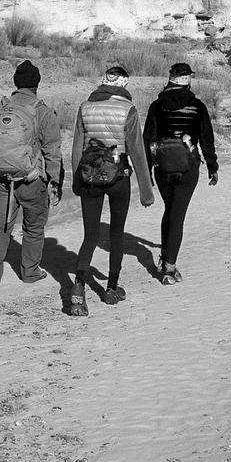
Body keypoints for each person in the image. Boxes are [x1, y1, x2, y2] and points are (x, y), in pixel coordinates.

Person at [69, 64, 154, 315]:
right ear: (124, 85)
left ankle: (78, 288)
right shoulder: (128, 110)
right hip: (119, 176)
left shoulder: (85, 107)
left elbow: (76, 147)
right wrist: (147, 192)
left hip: (89, 176)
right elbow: (137, 152)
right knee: (117, 233)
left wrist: (76, 181)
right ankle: (112, 289)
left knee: (90, 236)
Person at [0, 60, 64, 296]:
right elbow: (52, 151)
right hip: (31, 180)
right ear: (37, 84)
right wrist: (55, 181)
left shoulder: (0, 107)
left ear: (15, 83)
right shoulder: (43, 111)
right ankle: (30, 272)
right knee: (34, 226)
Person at [143, 62, 218, 285]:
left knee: (170, 210)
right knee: (178, 214)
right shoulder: (197, 106)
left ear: (170, 79)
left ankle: (165, 257)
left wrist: (147, 172)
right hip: (188, 167)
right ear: (188, 80)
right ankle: (169, 266)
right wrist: (212, 167)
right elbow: (206, 139)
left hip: (162, 168)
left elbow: (148, 140)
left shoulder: (157, 106)